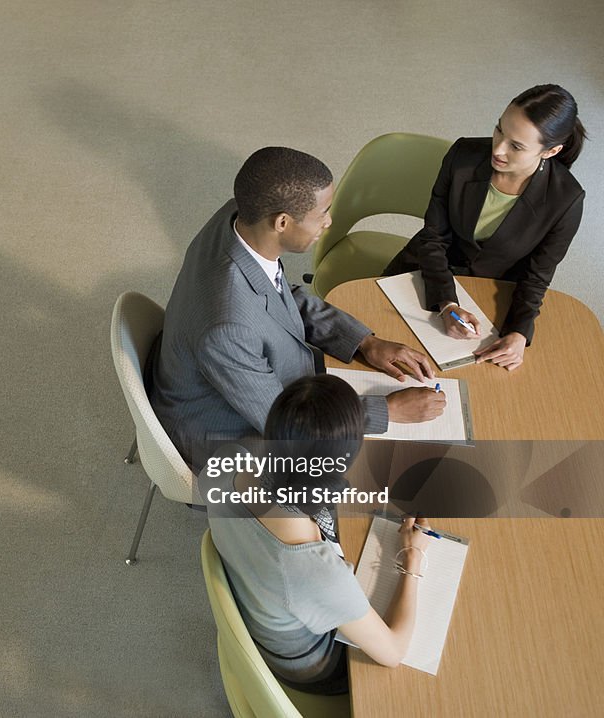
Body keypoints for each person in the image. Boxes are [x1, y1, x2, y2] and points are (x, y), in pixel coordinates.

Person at [150, 147, 444, 473]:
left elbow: (278, 293)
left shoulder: (239, 217)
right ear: (282, 222)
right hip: (226, 438)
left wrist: (365, 343)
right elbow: (286, 427)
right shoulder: (228, 330)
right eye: (323, 214)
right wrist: (387, 411)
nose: (329, 222)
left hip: (239, 379)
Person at [204, 374, 432, 695]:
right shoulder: (311, 569)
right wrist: (413, 558)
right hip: (314, 666)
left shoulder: (226, 461)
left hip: (268, 600)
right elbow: (393, 652)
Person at [384, 84, 587, 370]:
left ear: (551, 150)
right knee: (384, 344)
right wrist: (447, 303)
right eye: (499, 130)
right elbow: (433, 237)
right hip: (426, 268)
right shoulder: (463, 154)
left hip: (491, 291)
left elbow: (536, 276)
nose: (499, 148)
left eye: (516, 146)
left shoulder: (566, 200)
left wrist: (518, 333)